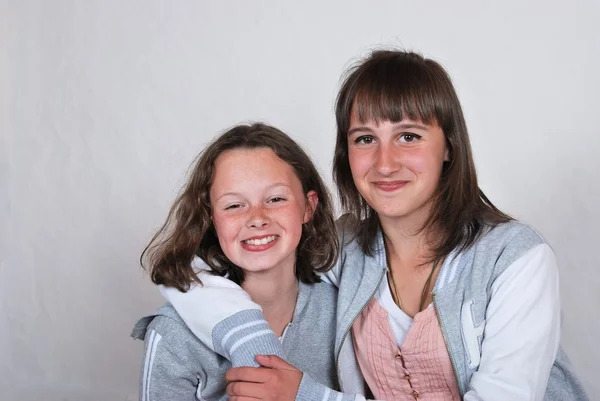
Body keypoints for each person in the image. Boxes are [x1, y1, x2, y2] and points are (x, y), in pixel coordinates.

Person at [160, 50, 589, 400]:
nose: (385, 163)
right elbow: (200, 272)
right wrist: (252, 344)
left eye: (409, 136)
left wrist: (309, 397)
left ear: (449, 148)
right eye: (365, 138)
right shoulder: (345, 248)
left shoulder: (515, 258)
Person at [131, 123, 344, 400]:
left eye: (276, 199)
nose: (257, 218)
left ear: (308, 207)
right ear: (210, 218)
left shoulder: (345, 314)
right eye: (234, 205)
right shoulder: (174, 335)